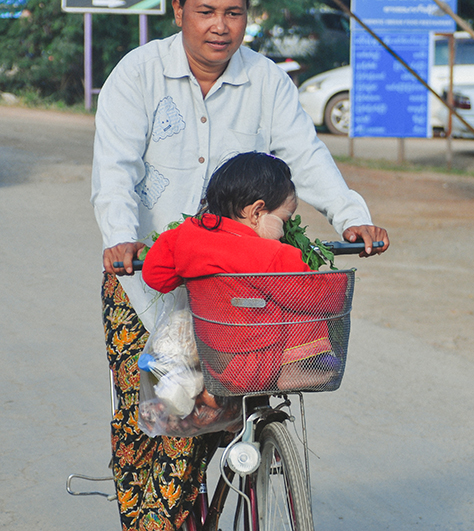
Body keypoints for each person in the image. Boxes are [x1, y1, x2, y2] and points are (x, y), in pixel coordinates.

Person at [90, 0, 388, 527]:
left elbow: (304, 155)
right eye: (206, 10)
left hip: (233, 295)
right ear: (178, 9)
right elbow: (114, 166)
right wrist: (120, 238)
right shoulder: (138, 74)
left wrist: (350, 215)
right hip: (146, 285)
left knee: (241, 400)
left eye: (234, 12)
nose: (220, 26)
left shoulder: (266, 81)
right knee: (163, 427)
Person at [142, 152, 348, 394]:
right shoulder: (271, 253)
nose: (283, 233)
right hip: (261, 365)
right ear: (257, 212)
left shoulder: (184, 235)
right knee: (307, 301)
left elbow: (155, 276)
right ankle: (297, 369)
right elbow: (322, 298)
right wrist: (337, 286)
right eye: (284, 220)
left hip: (214, 361)